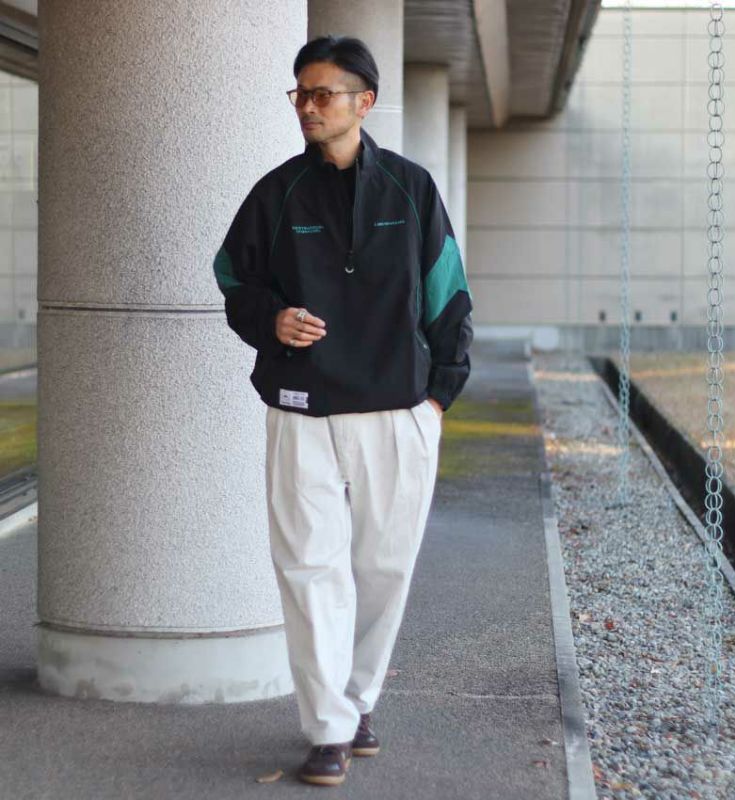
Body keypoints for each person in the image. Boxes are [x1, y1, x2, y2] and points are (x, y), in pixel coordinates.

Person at [213, 35, 472, 787]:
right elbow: (232, 277)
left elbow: (449, 294)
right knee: (308, 570)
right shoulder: (276, 193)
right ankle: (326, 728)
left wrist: (438, 398)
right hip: (303, 410)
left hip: (399, 411)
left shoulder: (411, 190)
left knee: (382, 571)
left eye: (322, 93)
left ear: (365, 102)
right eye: (300, 93)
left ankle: (357, 704)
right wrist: (271, 319)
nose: (308, 106)